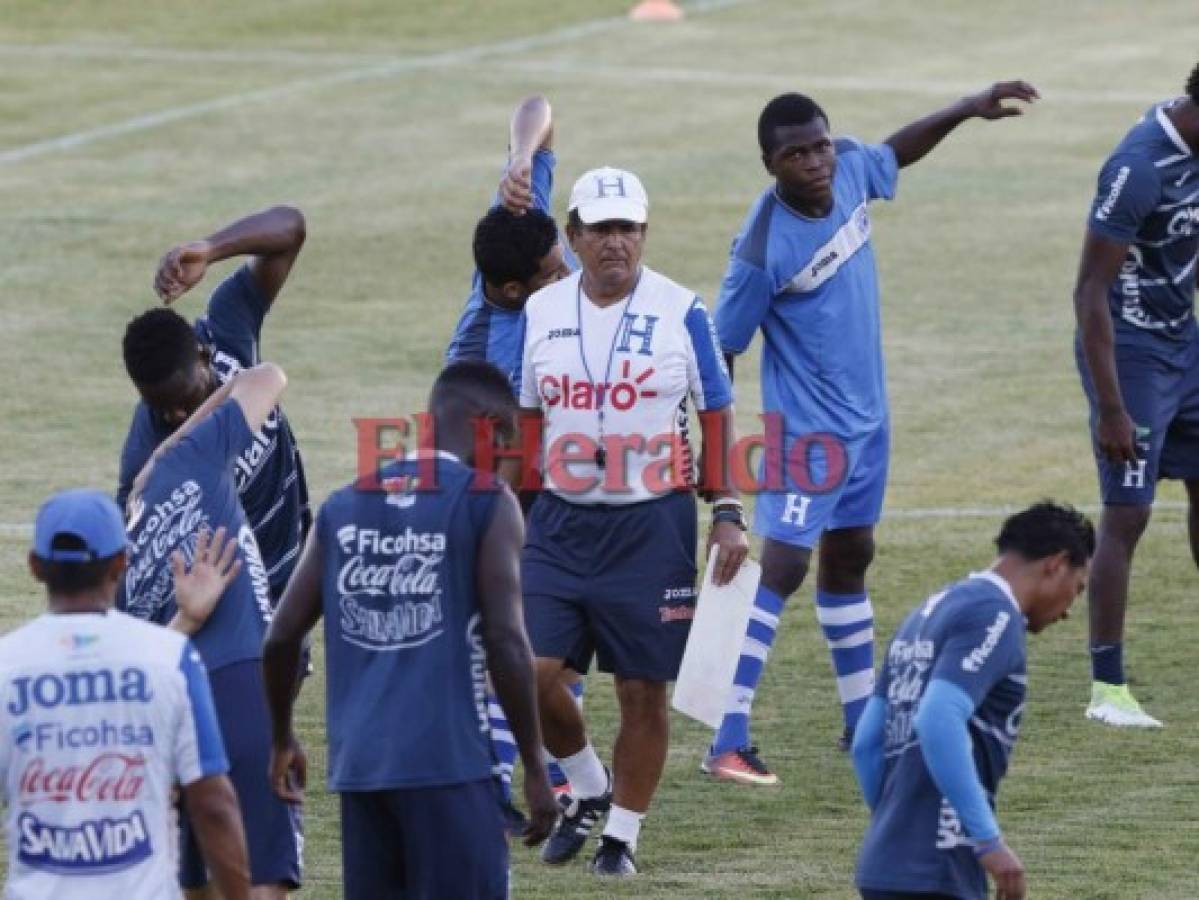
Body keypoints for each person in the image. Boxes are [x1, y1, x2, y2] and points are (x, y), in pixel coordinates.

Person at [709, 80, 1040, 783]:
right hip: (808, 433)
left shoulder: (853, 167)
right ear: (770, 165)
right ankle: (727, 734)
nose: (815, 162)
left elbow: (894, 152)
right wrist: (721, 454)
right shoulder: (760, 249)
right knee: (784, 565)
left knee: (852, 554)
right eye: (796, 154)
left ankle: (861, 720)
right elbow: (722, 351)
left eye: (820, 145)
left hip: (868, 422)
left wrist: (965, 108)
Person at [514, 165, 749, 877]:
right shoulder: (541, 311)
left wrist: (729, 509)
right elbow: (528, 416)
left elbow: (715, 409)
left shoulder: (684, 310)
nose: (617, 242)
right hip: (557, 523)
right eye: (602, 229)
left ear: (642, 234)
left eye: (629, 228)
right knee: (529, 670)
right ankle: (587, 788)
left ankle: (620, 835)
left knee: (641, 689)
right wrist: (516, 509)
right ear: (574, 235)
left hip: (652, 525)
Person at [261, 360, 556, 900]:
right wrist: (536, 765)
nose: (514, 460)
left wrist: (281, 736)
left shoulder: (344, 505)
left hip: (362, 771)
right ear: (487, 425)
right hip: (450, 764)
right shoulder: (487, 502)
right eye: (510, 440)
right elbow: (507, 640)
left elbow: (281, 637)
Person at [1, 488, 251, 899]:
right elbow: (213, 805)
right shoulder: (170, 659)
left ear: (35, 567)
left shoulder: (7, 666)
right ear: (121, 563)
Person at [445, 94, 584, 814]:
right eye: (553, 274)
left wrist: (522, 157)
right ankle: (513, 769)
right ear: (511, 291)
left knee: (548, 621)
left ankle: (525, 765)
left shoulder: (519, 236)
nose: (566, 274)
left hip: (528, 468)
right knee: (517, 622)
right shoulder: (507, 349)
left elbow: (538, 105)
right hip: (490, 473)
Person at [119, 363, 302, 897]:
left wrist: (186, 618)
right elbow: (266, 375)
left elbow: (137, 671)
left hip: (169, 706)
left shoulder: (119, 565)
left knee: (192, 881)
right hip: (240, 675)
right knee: (264, 875)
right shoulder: (186, 458)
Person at [851, 501, 1094, 900]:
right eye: (1078, 589)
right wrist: (987, 840)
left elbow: (867, 743)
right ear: (1057, 563)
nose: (1069, 609)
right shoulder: (994, 615)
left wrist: (897, 827)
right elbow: (937, 718)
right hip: (940, 867)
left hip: (884, 866)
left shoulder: (924, 614)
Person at [1072, 61, 1199, 728]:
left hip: (1185, 343)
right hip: (1131, 355)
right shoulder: (1139, 167)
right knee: (1128, 512)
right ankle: (1107, 690)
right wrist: (1112, 405)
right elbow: (1088, 291)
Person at [119, 204, 310, 606]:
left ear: (204, 356)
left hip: (293, 562)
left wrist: (209, 249)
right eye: (159, 406)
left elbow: (290, 229)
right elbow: (131, 558)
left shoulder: (227, 330)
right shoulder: (149, 454)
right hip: (245, 597)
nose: (175, 417)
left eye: (182, 400)